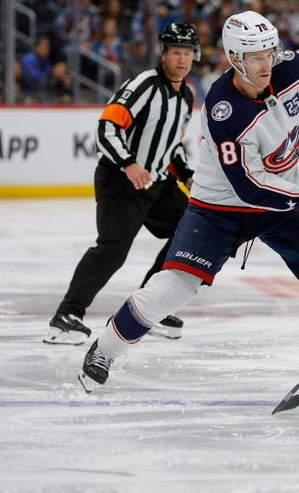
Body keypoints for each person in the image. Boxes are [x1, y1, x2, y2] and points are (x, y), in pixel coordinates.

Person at [78, 11, 299, 392]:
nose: (267, 63)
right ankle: (105, 348)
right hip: (219, 208)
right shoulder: (223, 110)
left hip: (282, 201)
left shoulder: (289, 69)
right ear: (235, 59)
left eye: (270, 53)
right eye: (255, 57)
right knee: (175, 287)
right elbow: (249, 186)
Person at [43, 23, 199, 345]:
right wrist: (129, 164)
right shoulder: (144, 85)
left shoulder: (186, 96)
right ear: (163, 54)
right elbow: (107, 129)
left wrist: (186, 175)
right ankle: (66, 316)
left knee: (191, 231)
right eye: (176, 53)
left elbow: (172, 146)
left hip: (159, 184)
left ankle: (148, 307)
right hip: (121, 182)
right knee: (112, 251)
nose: (182, 60)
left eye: (188, 54)